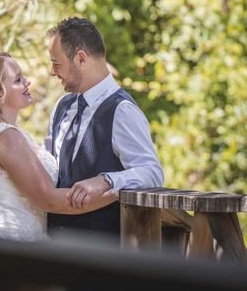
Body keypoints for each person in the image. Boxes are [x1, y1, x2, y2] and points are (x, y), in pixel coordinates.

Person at [0, 52, 117, 291]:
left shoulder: (5, 135)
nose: (27, 81)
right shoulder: (7, 138)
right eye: (18, 79)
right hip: (9, 251)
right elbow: (49, 200)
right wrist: (117, 192)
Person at [45, 17, 164, 239]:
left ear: (81, 58)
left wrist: (107, 180)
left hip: (99, 255)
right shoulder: (62, 107)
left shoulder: (122, 110)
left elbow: (152, 172)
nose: (52, 71)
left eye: (56, 63)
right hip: (52, 249)